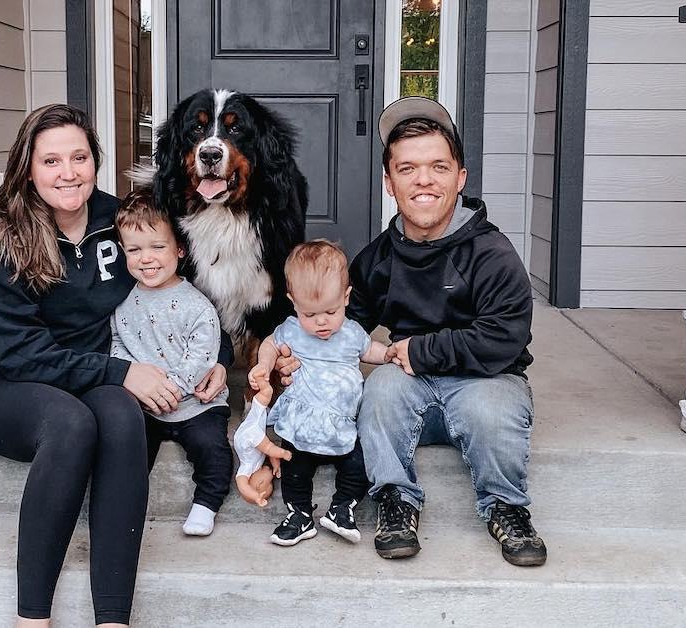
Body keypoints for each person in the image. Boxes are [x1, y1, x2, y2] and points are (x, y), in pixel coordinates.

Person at [0, 104, 231, 627]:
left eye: (79, 157)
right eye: (51, 161)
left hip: (92, 369)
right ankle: (32, 619)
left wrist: (218, 358)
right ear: (27, 168)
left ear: (96, 162)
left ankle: (113, 619)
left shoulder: (120, 220)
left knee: (122, 418)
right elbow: (20, 354)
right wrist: (123, 373)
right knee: (72, 423)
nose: (68, 172)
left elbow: (182, 287)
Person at [279, 97, 545, 566]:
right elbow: (347, 322)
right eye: (408, 169)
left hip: (485, 377)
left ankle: (506, 507)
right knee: (380, 389)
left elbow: (504, 337)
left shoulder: (491, 253)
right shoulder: (379, 258)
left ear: (460, 178)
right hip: (407, 385)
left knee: (491, 408)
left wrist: (419, 349)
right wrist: (300, 356)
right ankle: (396, 502)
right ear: (390, 182)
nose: (424, 180)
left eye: (439, 167)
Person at [109, 188, 233, 537]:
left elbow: (202, 355)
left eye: (157, 247)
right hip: (147, 405)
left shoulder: (197, 306)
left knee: (212, 448)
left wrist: (172, 389)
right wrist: (137, 387)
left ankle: (206, 503)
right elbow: (117, 343)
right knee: (126, 447)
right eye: (134, 250)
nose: (146, 259)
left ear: (179, 249)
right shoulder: (123, 303)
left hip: (195, 402)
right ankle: (124, 503)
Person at [248, 240, 390, 547]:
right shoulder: (290, 329)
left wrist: (391, 354)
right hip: (302, 424)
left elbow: (371, 350)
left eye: (330, 310)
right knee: (293, 466)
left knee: (358, 466)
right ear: (293, 302)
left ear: (346, 298)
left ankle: (342, 508)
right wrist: (264, 364)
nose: (322, 321)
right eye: (310, 314)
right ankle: (299, 515)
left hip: (341, 424)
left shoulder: (352, 332)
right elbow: (270, 344)